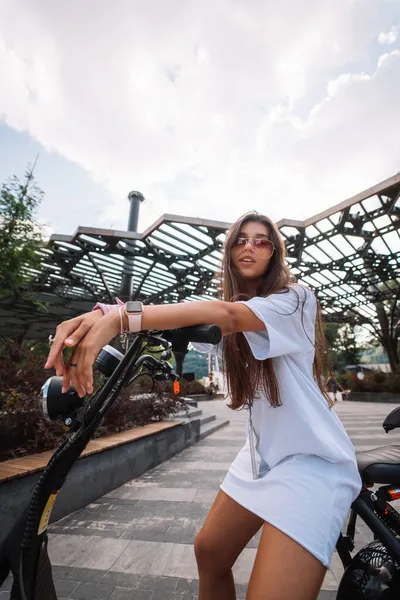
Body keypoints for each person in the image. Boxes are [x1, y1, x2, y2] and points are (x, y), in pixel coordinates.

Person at [45, 212, 362, 600]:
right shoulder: (228, 317)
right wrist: (103, 311)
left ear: (275, 253)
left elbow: (225, 315)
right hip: (262, 457)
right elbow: (179, 318)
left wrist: (119, 319)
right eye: (241, 240)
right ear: (229, 251)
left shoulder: (295, 300)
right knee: (209, 552)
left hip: (313, 462)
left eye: (262, 241)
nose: (250, 246)